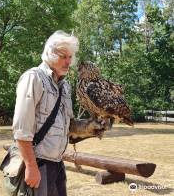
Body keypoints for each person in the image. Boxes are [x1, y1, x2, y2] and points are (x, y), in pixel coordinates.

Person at [12, 30, 105, 196]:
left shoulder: (65, 86)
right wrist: (31, 167)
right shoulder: (34, 78)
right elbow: (21, 130)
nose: (68, 62)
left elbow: (69, 125)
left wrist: (92, 126)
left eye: (70, 57)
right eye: (63, 56)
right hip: (38, 163)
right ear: (49, 53)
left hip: (57, 163)